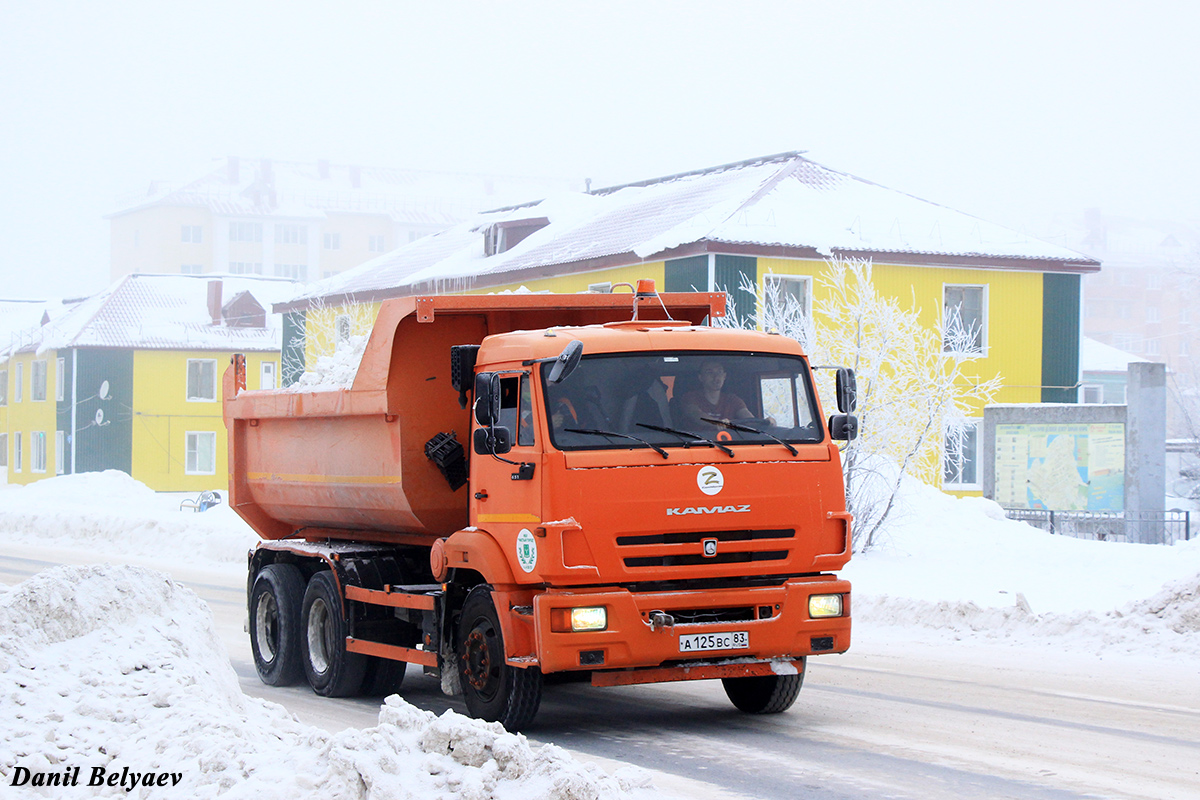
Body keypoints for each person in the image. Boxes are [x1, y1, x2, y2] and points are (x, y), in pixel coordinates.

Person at [677, 359, 754, 428]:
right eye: (709, 372)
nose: (716, 377)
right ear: (701, 377)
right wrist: (716, 423)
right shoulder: (690, 397)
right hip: (697, 442)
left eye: (719, 372)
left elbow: (749, 419)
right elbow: (695, 414)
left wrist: (763, 423)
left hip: (731, 443)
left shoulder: (732, 399)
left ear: (724, 376)